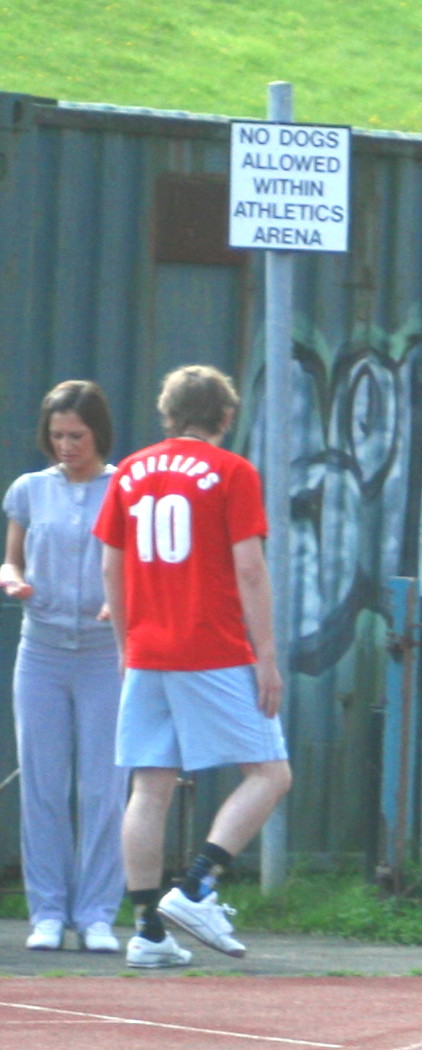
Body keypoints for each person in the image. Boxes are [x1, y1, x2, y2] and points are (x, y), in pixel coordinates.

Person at [94, 365, 292, 969]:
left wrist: (126, 646)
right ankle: (198, 887)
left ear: (168, 412)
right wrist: (266, 656)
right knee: (270, 773)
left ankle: (147, 932)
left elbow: (111, 565)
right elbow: (250, 568)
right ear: (226, 415)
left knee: (149, 787)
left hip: (148, 649)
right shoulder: (233, 472)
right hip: (212, 647)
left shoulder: (130, 471)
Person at [2, 381, 128, 953]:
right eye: (56, 435)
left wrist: (121, 603)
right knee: (43, 785)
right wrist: (12, 580)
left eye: (76, 435)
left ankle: (97, 913)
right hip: (42, 653)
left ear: (98, 433)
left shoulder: (123, 488)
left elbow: (138, 565)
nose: (66, 446)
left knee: (103, 787)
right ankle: (48, 911)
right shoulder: (30, 490)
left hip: (105, 654)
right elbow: (11, 559)